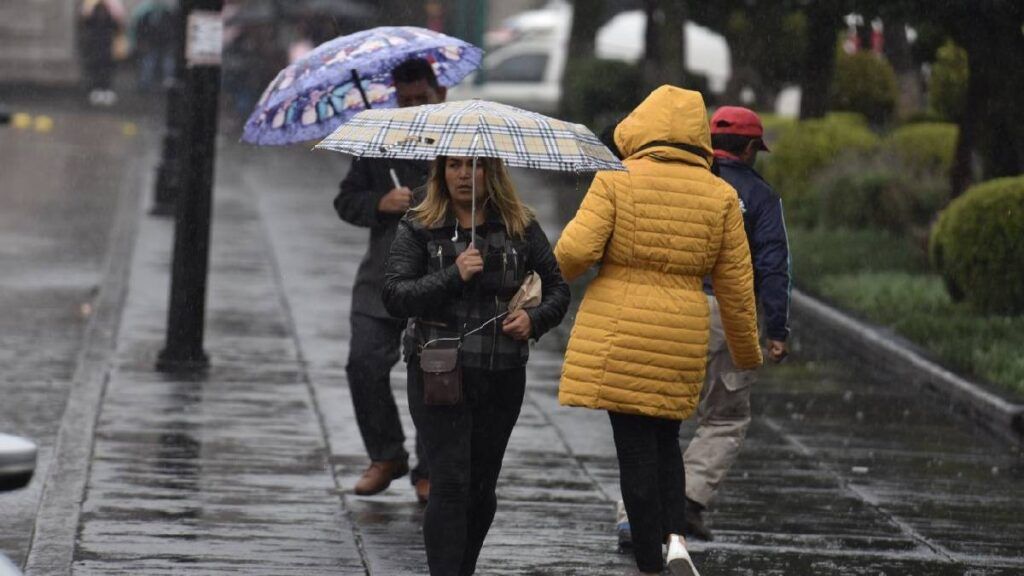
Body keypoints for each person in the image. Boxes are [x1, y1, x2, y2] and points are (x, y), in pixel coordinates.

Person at [555, 85, 762, 576]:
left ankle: (649, 558)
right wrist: (747, 352)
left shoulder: (615, 179)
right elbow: (736, 285)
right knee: (666, 440)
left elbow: (575, 252)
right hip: (682, 332)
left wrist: (540, 283)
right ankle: (675, 541)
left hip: (619, 329)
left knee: (633, 450)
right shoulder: (721, 196)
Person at [382, 155, 569, 575]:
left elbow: (557, 288)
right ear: (440, 173)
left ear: (493, 172)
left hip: (501, 372)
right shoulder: (418, 225)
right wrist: (454, 273)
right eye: (454, 166)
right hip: (439, 370)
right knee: (449, 483)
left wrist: (534, 319)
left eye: (475, 165)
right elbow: (395, 296)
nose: (464, 175)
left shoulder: (520, 225)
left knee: (482, 487)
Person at [333, 58, 446, 503]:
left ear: (440, 93)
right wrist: (380, 202)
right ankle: (386, 454)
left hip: (439, 278)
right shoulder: (377, 141)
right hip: (381, 277)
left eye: (422, 97)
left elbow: (485, 200)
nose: (414, 105)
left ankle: (431, 468)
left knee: (435, 378)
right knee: (363, 364)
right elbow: (346, 200)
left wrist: (425, 201)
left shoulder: (460, 140)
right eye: (406, 99)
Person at [682, 105, 791, 540]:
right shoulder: (761, 197)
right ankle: (688, 499)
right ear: (750, 149)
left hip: (675, 308)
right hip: (731, 312)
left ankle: (635, 512)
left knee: (655, 416)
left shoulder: (686, 182)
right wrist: (778, 330)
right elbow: (774, 264)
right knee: (724, 416)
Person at [79, 0, 126, 106]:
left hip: (103, 51)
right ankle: (99, 91)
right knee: (99, 72)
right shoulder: (94, 21)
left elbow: (118, 30)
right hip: (100, 51)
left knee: (104, 72)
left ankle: (104, 90)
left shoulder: (99, 21)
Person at [129, 0, 177, 92]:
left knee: (154, 63)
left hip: (159, 43)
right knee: (155, 63)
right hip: (157, 43)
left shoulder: (148, 14)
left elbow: (141, 28)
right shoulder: (165, 14)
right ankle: (148, 84)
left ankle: (147, 84)